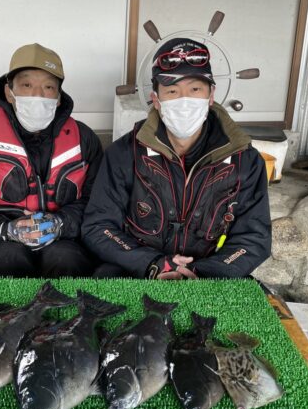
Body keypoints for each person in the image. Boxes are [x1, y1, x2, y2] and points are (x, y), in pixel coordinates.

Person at [82, 38, 271, 279]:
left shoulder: (245, 161)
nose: (184, 101)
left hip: (209, 274)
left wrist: (205, 271)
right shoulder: (124, 154)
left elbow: (254, 238)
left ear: (211, 95)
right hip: (137, 268)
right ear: (156, 100)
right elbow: (99, 226)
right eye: (172, 91)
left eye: (195, 89)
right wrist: (153, 264)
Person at [0, 43, 102, 277]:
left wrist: (60, 224)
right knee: (7, 259)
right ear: (9, 92)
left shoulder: (85, 139)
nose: (37, 95)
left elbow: (97, 202)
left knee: (65, 258)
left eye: (48, 87)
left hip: (66, 238)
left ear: (58, 97)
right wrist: (5, 229)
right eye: (27, 85)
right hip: (4, 242)